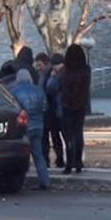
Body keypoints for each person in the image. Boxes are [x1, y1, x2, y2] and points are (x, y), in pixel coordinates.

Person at [11, 69, 50, 189]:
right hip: (38, 125)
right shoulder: (38, 90)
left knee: (21, 156)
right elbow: (45, 107)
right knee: (38, 155)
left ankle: (19, 182)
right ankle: (45, 182)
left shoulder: (14, 91)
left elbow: (13, 110)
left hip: (24, 127)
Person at [59, 44, 91, 174]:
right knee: (78, 134)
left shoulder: (65, 72)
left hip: (67, 105)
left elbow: (61, 88)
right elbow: (87, 87)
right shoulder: (86, 71)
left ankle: (69, 164)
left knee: (69, 136)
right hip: (81, 105)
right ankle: (78, 163)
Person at [42, 53, 65, 168]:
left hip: (55, 110)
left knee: (58, 137)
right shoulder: (50, 74)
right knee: (57, 137)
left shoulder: (52, 75)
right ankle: (60, 158)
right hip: (54, 110)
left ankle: (60, 159)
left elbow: (50, 89)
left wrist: (53, 77)